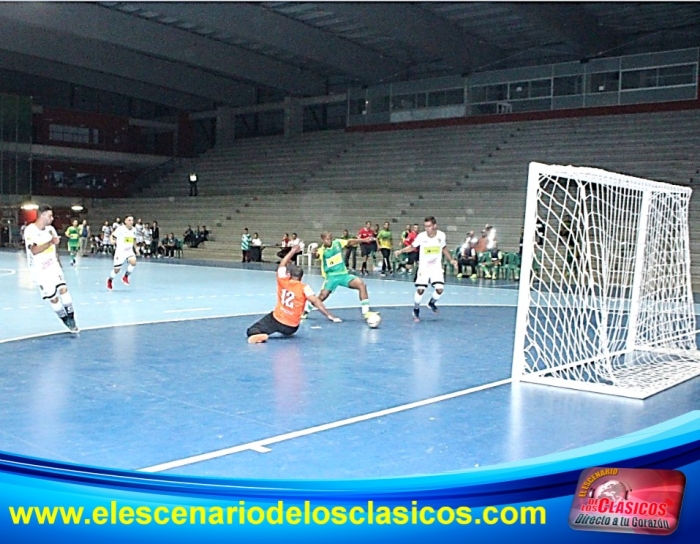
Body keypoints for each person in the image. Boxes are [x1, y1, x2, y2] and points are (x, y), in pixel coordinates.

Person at [247, 245, 342, 344]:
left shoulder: (283, 281)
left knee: (252, 330)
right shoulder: (304, 288)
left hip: (276, 319)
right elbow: (316, 301)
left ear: (289, 275)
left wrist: (293, 251)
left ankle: (260, 336)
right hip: (291, 327)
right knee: (287, 326)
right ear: (301, 277)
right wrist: (330, 315)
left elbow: (282, 264)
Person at [24, 205, 79, 333]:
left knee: (63, 289)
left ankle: (71, 317)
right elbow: (34, 250)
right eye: (49, 216)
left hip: (53, 265)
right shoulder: (30, 230)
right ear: (42, 215)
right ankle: (65, 319)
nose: (52, 218)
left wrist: (58, 262)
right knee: (53, 298)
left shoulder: (51, 229)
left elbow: (55, 250)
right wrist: (50, 242)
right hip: (39, 270)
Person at [395, 216, 458, 322]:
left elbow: (444, 248)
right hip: (424, 267)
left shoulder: (441, 235)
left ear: (434, 226)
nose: (427, 228)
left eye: (429, 226)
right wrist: (401, 251)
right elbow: (412, 246)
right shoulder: (421, 236)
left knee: (439, 289)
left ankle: (431, 302)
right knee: (420, 290)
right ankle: (416, 309)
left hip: (436, 267)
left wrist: (451, 259)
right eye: (425, 226)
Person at [304, 231, 376, 321]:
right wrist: (313, 252)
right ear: (322, 240)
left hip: (343, 275)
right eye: (327, 239)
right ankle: (306, 310)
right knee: (322, 296)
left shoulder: (337, 243)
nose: (329, 240)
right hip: (331, 277)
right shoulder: (322, 250)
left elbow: (350, 242)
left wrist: (363, 240)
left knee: (361, 285)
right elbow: (316, 256)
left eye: (330, 238)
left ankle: (366, 312)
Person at [107, 214, 138, 290]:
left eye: (132, 220)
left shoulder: (134, 230)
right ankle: (110, 280)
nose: (131, 222)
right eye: (129, 220)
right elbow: (112, 235)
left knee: (133, 262)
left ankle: (125, 276)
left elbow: (134, 240)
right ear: (125, 221)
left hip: (129, 251)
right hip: (120, 252)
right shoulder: (120, 229)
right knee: (116, 270)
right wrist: (111, 240)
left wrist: (136, 248)